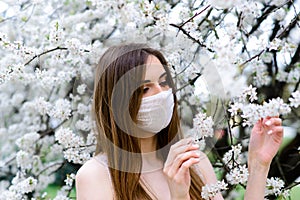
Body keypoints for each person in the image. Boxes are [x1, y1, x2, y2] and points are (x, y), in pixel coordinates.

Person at [75, 43, 284, 200]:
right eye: (145, 89)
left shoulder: (195, 162)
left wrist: (258, 166)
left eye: (165, 82)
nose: (162, 93)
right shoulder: (95, 175)